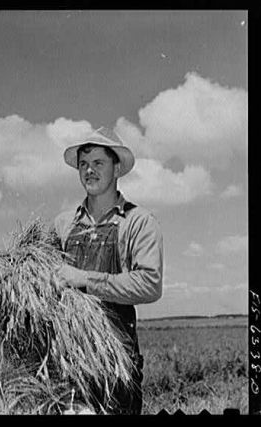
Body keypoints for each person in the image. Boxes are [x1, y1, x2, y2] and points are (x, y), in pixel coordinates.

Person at [54, 126, 163, 415]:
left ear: (117, 168)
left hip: (116, 369)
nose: (89, 171)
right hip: (67, 370)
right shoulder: (63, 224)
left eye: (98, 163)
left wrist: (84, 279)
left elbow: (150, 284)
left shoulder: (139, 222)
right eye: (83, 165)